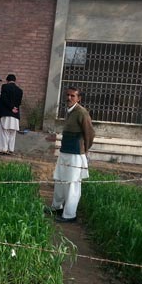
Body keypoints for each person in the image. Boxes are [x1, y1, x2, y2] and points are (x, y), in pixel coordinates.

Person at [51, 87, 95, 223]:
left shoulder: (82, 112)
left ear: (79, 98)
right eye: (68, 95)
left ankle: (69, 215)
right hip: (65, 151)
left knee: (72, 184)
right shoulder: (70, 112)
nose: (69, 98)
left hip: (75, 153)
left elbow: (90, 133)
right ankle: (57, 207)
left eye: (73, 96)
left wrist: (84, 149)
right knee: (60, 180)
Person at [0, 74, 23, 155]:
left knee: (4, 132)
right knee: (12, 133)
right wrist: (15, 108)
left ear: (7, 80)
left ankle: (3, 149)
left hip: (6, 113)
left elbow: (4, 99)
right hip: (15, 114)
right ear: (15, 80)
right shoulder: (20, 90)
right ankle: (10, 149)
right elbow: (19, 102)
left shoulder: (5, 87)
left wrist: (11, 107)